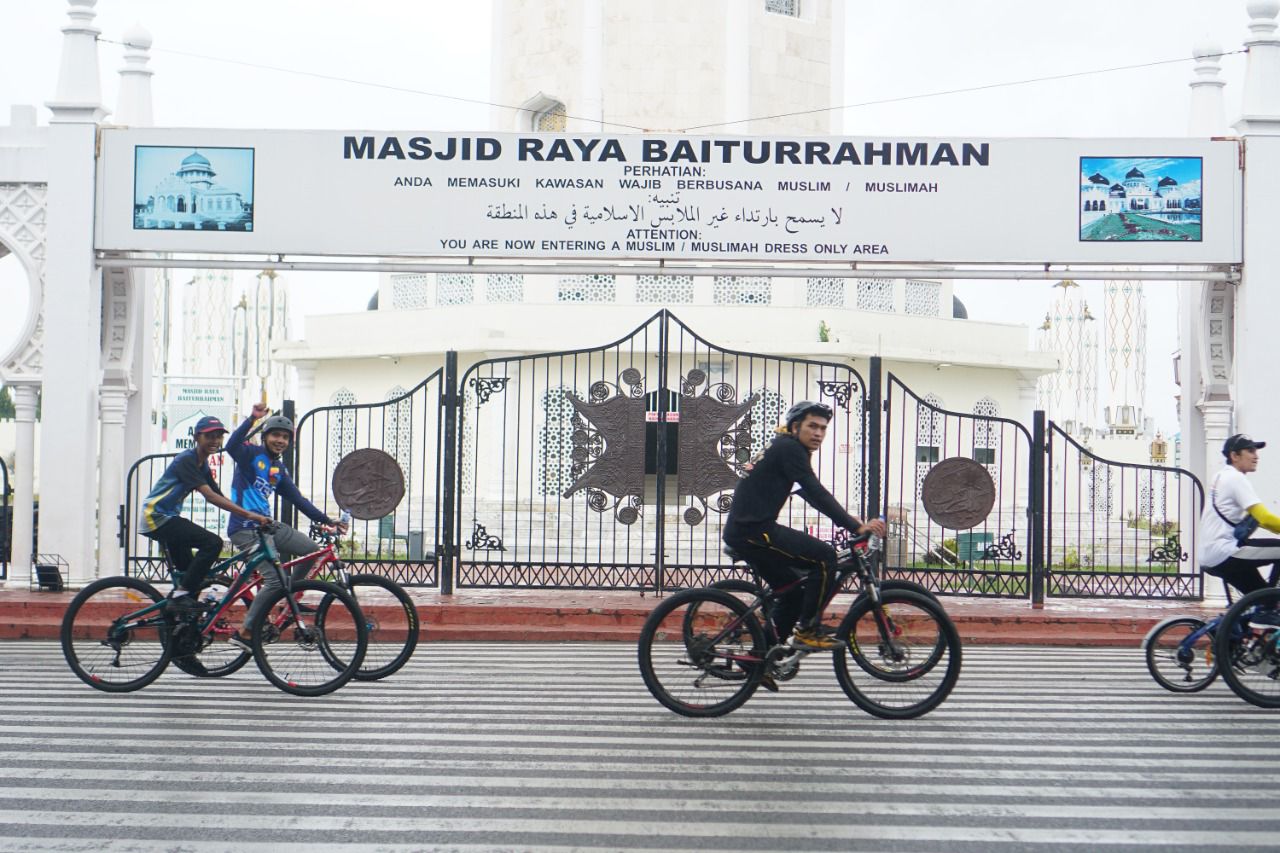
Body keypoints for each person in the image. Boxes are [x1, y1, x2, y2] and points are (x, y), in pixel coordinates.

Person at [722, 400, 886, 650]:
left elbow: (808, 493)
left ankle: (761, 659)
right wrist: (856, 527)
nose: (818, 433)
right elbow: (815, 491)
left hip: (749, 530)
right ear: (796, 426)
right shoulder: (790, 449)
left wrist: (851, 522)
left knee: (792, 594)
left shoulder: (785, 447)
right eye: (813, 426)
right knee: (824, 558)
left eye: (823, 428)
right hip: (754, 532)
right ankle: (807, 629)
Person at [224, 403, 346, 650]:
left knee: (311, 552)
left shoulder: (278, 469)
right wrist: (253, 418)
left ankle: (287, 596)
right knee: (274, 581)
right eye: (275, 435)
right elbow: (231, 446)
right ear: (265, 436)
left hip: (267, 526)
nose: (280, 440)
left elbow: (298, 499)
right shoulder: (250, 455)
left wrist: (326, 520)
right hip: (245, 527)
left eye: (285, 437)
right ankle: (245, 631)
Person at [137, 416, 273, 613]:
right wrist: (250, 515)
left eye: (218, 437)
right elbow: (209, 496)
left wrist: (243, 515)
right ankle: (180, 596)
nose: (215, 441)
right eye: (209, 436)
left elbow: (218, 494)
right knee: (212, 543)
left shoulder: (202, 464)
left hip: (166, 518)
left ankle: (180, 628)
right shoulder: (187, 460)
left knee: (190, 578)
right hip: (156, 517)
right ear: (196, 437)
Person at [1199, 434, 1280, 613]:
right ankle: (1266, 613)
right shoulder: (1236, 479)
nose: (1256, 456)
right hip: (1226, 552)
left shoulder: (1221, 476)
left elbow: (1258, 520)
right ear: (1234, 456)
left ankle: (1241, 631)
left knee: (1263, 600)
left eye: (1256, 451)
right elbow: (1265, 517)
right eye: (1250, 451)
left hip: (1212, 555)